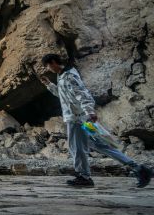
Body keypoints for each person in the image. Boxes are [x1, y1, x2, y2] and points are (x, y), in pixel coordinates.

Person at [38, 54, 152, 188]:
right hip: (82, 119)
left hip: (77, 120)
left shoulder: (69, 75)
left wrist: (89, 111)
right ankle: (139, 169)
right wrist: (49, 85)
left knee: (77, 147)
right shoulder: (62, 75)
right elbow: (64, 96)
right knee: (100, 145)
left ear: (53, 62)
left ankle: (84, 177)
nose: (48, 69)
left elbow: (82, 93)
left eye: (47, 65)